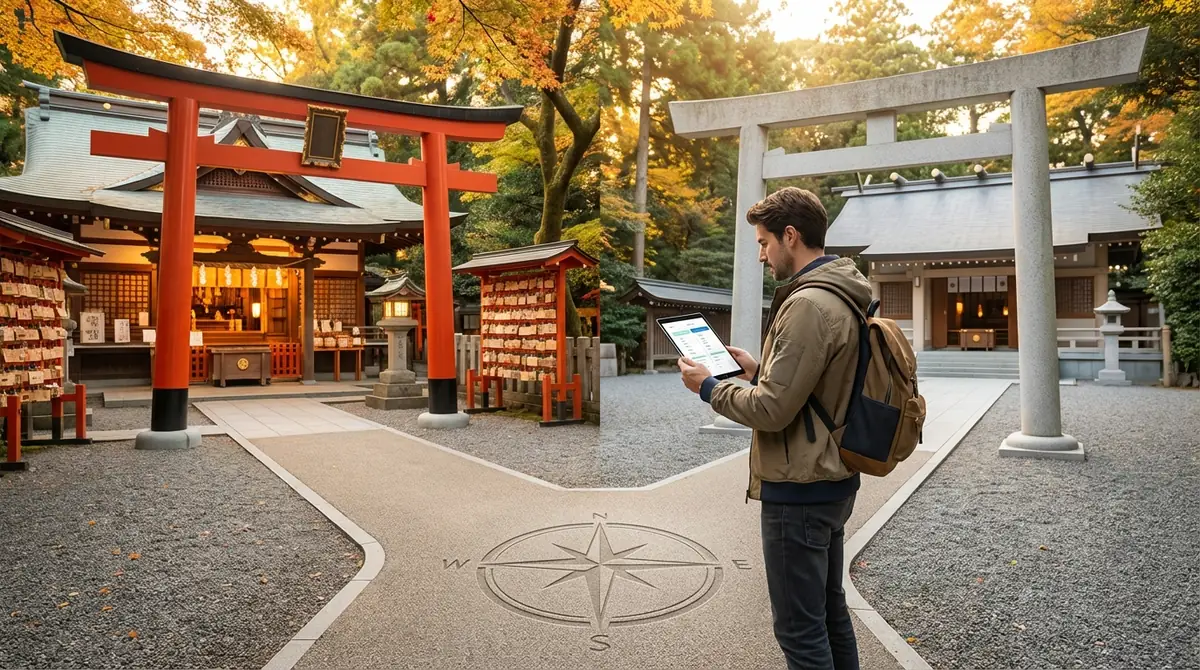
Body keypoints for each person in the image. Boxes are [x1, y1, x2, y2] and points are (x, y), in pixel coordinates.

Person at [677, 186, 871, 670]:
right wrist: (758, 368)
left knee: (799, 630)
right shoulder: (843, 290)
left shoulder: (808, 304)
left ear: (790, 235)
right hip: (834, 473)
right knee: (829, 612)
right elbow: (819, 385)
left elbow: (772, 412)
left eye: (764, 242)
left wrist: (708, 388)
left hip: (799, 486)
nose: (762, 255)